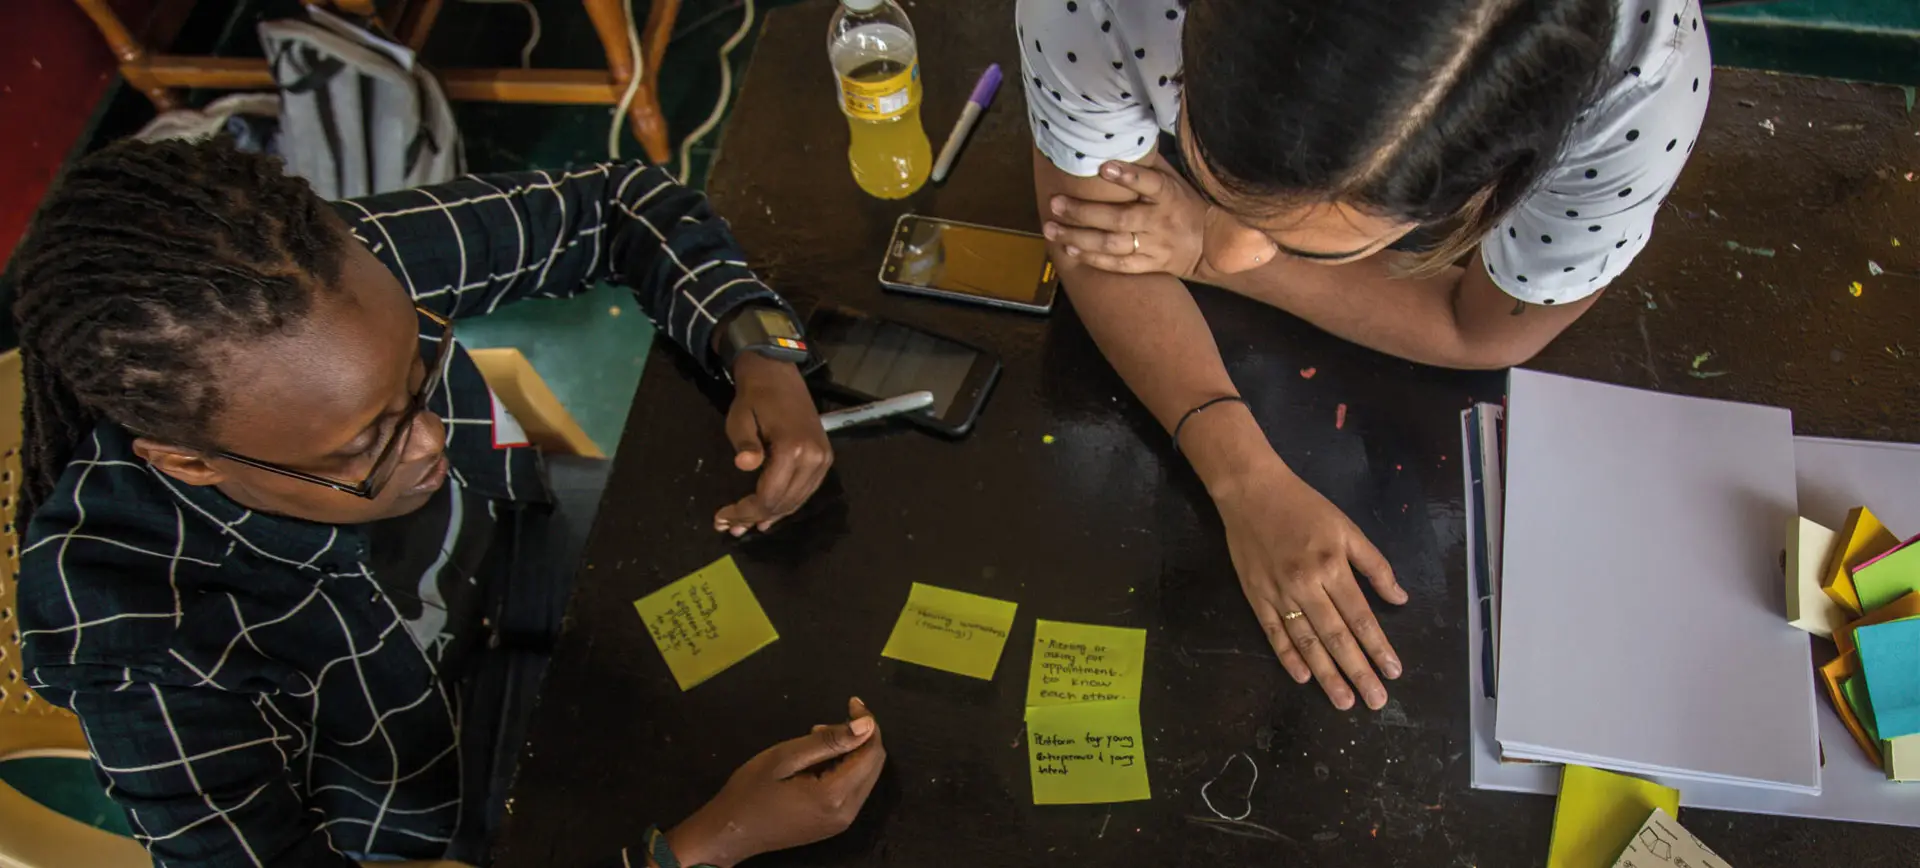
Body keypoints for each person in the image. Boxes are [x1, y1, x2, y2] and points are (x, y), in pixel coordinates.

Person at [11, 138, 883, 867]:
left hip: (535, 534)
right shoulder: (136, 647)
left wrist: (756, 345)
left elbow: (613, 203)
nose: (431, 442)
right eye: (364, 444)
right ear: (190, 464)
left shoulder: (320, 284)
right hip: (454, 790)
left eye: (420, 373)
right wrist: (698, 849)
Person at [1019, 0, 1711, 710]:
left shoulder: (1638, 92)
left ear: (1490, 188)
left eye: (1303, 241)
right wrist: (1242, 476)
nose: (1233, 252)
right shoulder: (1102, 8)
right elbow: (1091, 230)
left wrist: (1202, 244)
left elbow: (1487, 332)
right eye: (1210, 169)